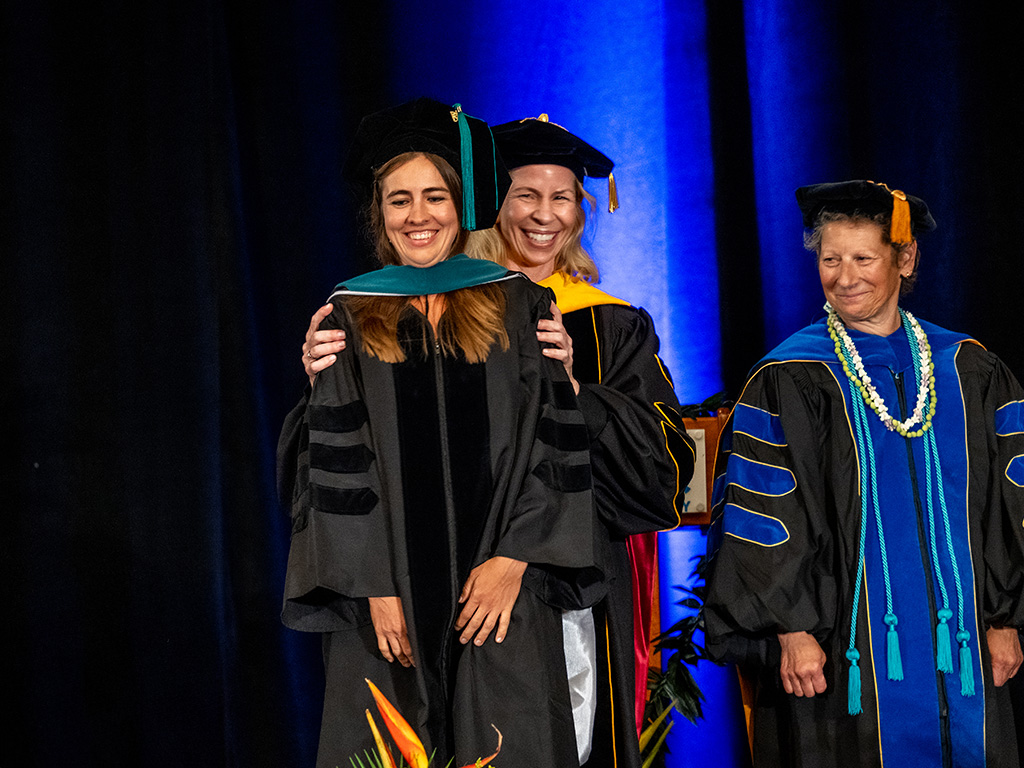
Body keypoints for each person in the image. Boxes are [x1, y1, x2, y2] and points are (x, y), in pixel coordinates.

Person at [302, 114, 695, 767]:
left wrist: (574, 392)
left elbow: (663, 469)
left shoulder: (604, 323)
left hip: (554, 579)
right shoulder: (379, 307)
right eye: (524, 195)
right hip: (411, 583)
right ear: (490, 204)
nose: (544, 215)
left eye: (561, 196)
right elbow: (335, 455)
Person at [277, 98, 600, 768]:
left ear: (461, 206)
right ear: (379, 213)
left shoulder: (518, 302)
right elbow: (334, 465)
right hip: (387, 600)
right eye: (399, 200)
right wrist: (373, 590)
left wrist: (513, 561)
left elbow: (556, 441)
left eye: (434, 197)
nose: (417, 216)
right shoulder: (350, 311)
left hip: (502, 596)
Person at [703, 179, 1024, 766]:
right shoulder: (789, 376)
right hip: (840, 649)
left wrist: (1004, 617)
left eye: (863, 258)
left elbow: (1009, 504)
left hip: (964, 645)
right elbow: (765, 517)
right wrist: (790, 630)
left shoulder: (968, 367)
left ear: (905, 260)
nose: (844, 277)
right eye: (830, 259)